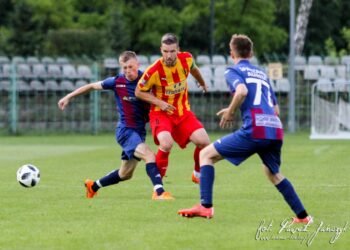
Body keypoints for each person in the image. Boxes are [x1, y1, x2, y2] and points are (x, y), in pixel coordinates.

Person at [178, 34, 312, 223]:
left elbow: (242, 91)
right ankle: (303, 217)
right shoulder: (262, 74)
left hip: (255, 129)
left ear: (232, 53)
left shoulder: (233, 71)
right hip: (274, 128)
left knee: (205, 155)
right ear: (251, 53)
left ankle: (205, 206)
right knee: (273, 173)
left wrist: (230, 112)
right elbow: (275, 109)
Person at [58, 51, 174, 200]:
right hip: (125, 131)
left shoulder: (147, 80)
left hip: (139, 133)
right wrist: (68, 96)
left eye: (130, 67)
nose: (127, 71)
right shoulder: (117, 82)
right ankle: (160, 193)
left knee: (125, 174)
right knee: (149, 155)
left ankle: (92, 186)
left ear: (137, 65)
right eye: (124, 67)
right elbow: (92, 86)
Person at [135, 33, 210, 184]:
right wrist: (160, 103)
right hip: (160, 113)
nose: (169, 55)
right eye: (165, 51)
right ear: (161, 50)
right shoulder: (154, 70)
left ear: (178, 50)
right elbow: (138, 92)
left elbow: (194, 69)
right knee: (166, 143)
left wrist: (202, 82)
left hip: (182, 112)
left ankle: (197, 173)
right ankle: (158, 187)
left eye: (172, 51)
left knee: (205, 142)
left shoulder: (187, 59)